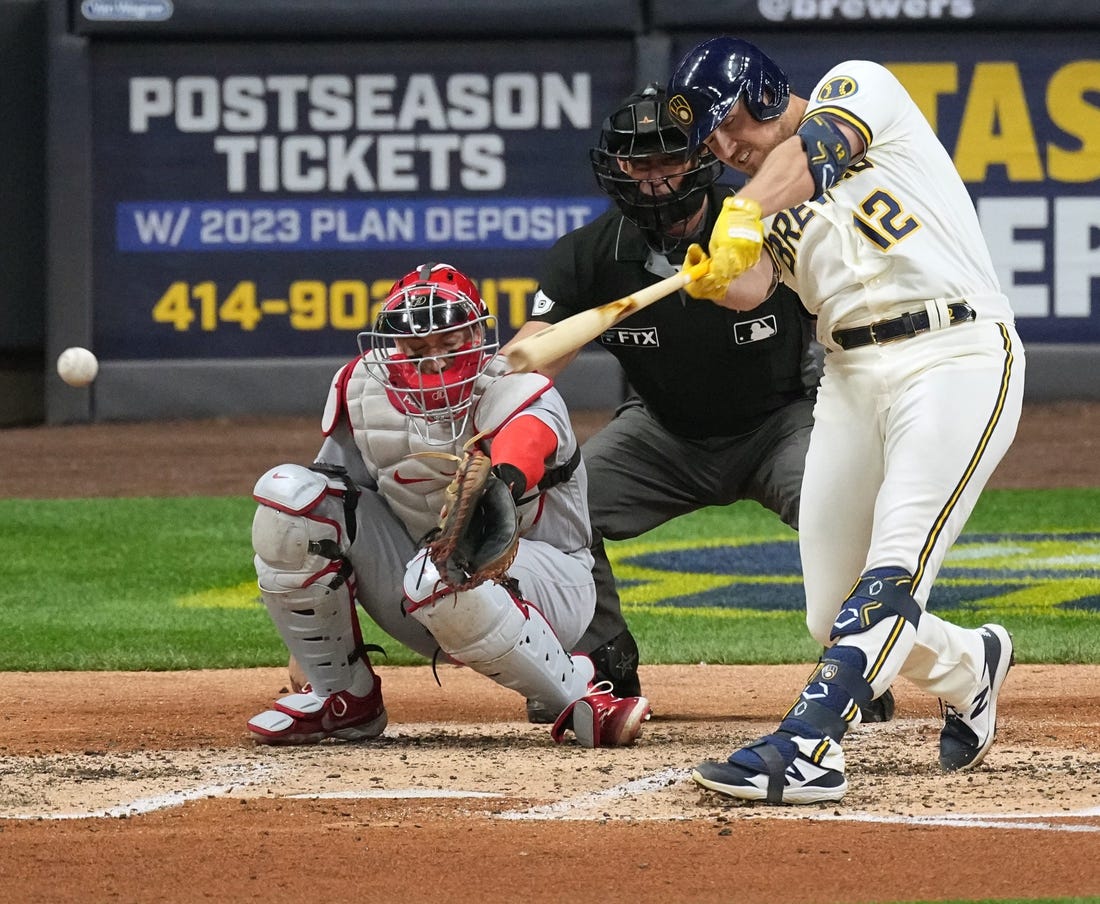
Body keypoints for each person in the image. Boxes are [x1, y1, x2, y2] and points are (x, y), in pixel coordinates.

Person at [665, 37, 1024, 803]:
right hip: (852, 377)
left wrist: (742, 211)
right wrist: (708, 266)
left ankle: (807, 748)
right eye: (713, 143)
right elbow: (754, 288)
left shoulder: (857, 85)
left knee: (897, 558)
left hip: (955, 351)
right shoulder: (750, 203)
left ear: (762, 90)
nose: (727, 148)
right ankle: (971, 666)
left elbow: (819, 150)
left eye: (730, 124)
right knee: (830, 610)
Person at [504, 83, 894, 725]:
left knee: (845, 507)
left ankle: (858, 663)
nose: (654, 179)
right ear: (617, 168)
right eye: (639, 162)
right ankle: (604, 662)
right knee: (553, 508)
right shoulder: (587, 255)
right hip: (662, 436)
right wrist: (479, 379)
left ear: (697, 159)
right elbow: (533, 355)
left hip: (781, 425)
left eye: (668, 160)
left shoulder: (761, 219)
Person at [246, 262, 651, 748]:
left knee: (440, 567)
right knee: (290, 498)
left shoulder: (517, 389)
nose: (434, 361)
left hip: (551, 587)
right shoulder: (360, 388)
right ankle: (343, 698)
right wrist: (307, 647)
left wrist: (500, 480)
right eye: (418, 349)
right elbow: (331, 505)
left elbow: (528, 441)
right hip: (421, 587)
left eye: (449, 344)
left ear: (478, 333)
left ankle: (581, 698)